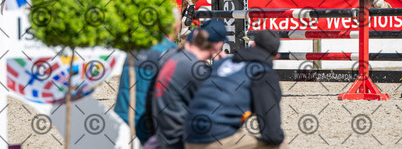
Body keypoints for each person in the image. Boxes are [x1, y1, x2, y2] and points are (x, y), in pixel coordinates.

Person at [184, 30, 288, 149]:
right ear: (276, 56)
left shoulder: (222, 63)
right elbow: (272, 133)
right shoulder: (263, 74)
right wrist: (279, 138)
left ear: (253, 44)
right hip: (212, 138)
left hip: (187, 133)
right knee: (279, 146)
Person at [145, 19, 228, 149]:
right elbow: (220, 104)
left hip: (162, 134)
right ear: (217, 46)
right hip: (179, 141)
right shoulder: (196, 70)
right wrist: (220, 67)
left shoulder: (173, 56)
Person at [114, 10, 181, 144]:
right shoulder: (171, 53)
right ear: (175, 25)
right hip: (147, 129)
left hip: (121, 123)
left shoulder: (135, 48)